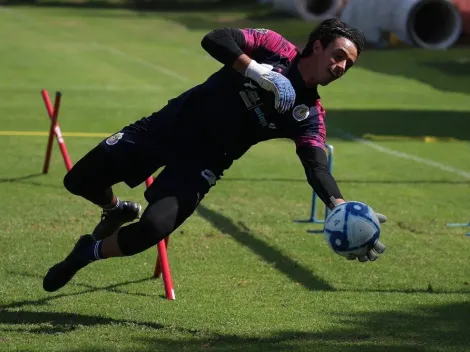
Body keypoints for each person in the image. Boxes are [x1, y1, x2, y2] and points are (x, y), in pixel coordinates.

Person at [43, 19, 388, 293]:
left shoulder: (309, 114)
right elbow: (215, 38)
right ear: (318, 46)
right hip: (168, 127)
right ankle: (115, 209)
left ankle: (85, 253)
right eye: (339, 56)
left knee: (152, 228)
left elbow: (316, 165)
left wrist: (338, 204)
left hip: (203, 162)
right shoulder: (274, 47)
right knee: (78, 180)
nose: (342, 67)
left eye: (349, 65)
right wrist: (257, 71)